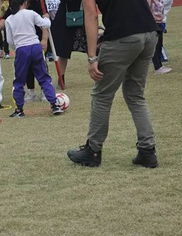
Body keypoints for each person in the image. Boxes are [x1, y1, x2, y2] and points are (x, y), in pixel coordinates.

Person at [67, 0, 159, 168]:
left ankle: (92, 150)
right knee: (135, 95)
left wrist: (92, 56)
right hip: (149, 31)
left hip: (122, 36)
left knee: (102, 95)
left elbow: (91, 15)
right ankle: (148, 151)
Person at [5, 0, 63, 117]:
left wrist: (16, 47)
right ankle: (54, 104)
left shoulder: (9, 19)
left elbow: (9, 40)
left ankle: (19, 109)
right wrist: (46, 17)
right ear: (25, 3)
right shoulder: (31, 13)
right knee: (43, 77)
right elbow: (46, 24)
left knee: (19, 80)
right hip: (35, 46)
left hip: (21, 48)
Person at [49, 0, 87, 88]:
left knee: (91, 48)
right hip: (65, 18)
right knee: (63, 51)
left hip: (82, 14)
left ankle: (99, 75)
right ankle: (61, 80)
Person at [149, 0, 172, 74]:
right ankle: (157, 67)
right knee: (156, 45)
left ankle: (159, 66)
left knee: (159, 45)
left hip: (160, 22)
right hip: (152, 23)